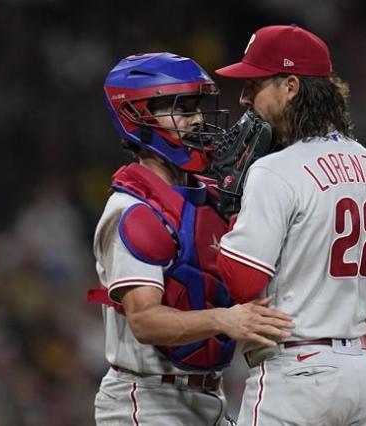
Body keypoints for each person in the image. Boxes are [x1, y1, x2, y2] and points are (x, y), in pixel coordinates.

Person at [88, 52, 294, 426]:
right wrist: (224, 319)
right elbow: (145, 320)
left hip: (208, 399)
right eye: (181, 109)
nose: (197, 119)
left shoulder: (210, 196)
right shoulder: (131, 211)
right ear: (138, 115)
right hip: (147, 401)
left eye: (197, 106)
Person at [214, 25, 366, 425]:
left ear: (290, 86)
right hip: (364, 378)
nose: (246, 98)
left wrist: (231, 210)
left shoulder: (274, 170)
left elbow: (244, 282)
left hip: (296, 373)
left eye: (254, 83)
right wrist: (354, 363)